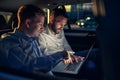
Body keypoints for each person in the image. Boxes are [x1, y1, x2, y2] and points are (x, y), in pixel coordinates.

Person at [0, 5, 82, 76]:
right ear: (28, 23)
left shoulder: (32, 40)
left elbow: (43, 62)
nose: (43, 28)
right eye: (40, 24)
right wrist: (60, 55)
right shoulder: (8, 42)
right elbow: (32, 66)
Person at [38, 8, 102, 80]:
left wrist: (73, 56)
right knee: (90, 65)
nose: (62, 27)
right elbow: (46, 55)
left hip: (67, 57)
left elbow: (66, 45)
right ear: (51, 20)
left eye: (64, 24)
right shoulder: (41, 35)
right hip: (57, 62)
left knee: (97, 52)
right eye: (60, 23)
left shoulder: (60, 30)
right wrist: (64, 56)